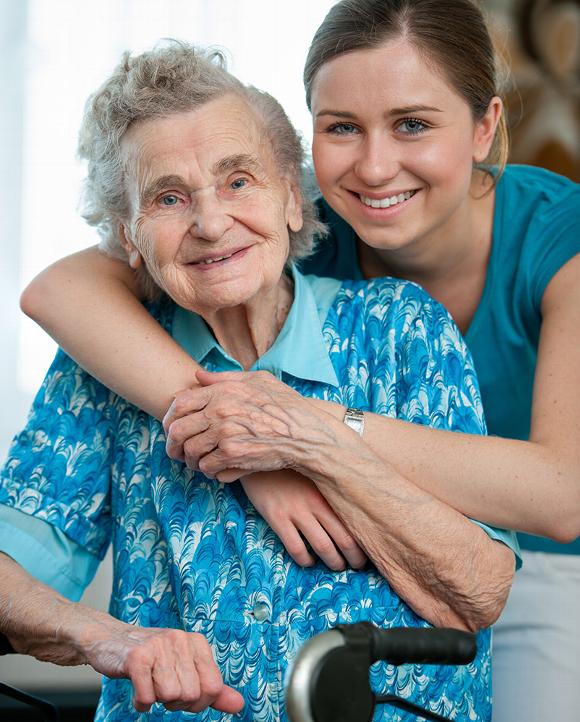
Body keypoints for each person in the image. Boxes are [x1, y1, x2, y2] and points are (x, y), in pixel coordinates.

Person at [18, 1, 580, 720]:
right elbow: (59, 288)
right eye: (342, 127)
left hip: (541, 556)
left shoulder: (538, 247)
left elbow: (561, 497)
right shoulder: (277, 215)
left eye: (413, 123)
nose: (375, 168)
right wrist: (247, 445)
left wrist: (295, 431)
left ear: (483, 127)